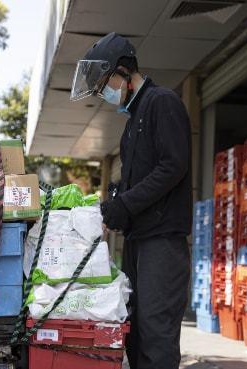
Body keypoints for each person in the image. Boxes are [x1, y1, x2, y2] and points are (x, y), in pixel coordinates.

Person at [70, 32, 192, 369]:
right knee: (135, 331)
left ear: (123, 71)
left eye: (104, 83)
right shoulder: (131, 122)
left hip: (162, 243)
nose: (102, 92)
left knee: (156, 333)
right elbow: (136, 181)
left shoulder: (162, 102)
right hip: (139, 240)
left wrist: (126, 204)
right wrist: (114, 204)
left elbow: (173, 166)